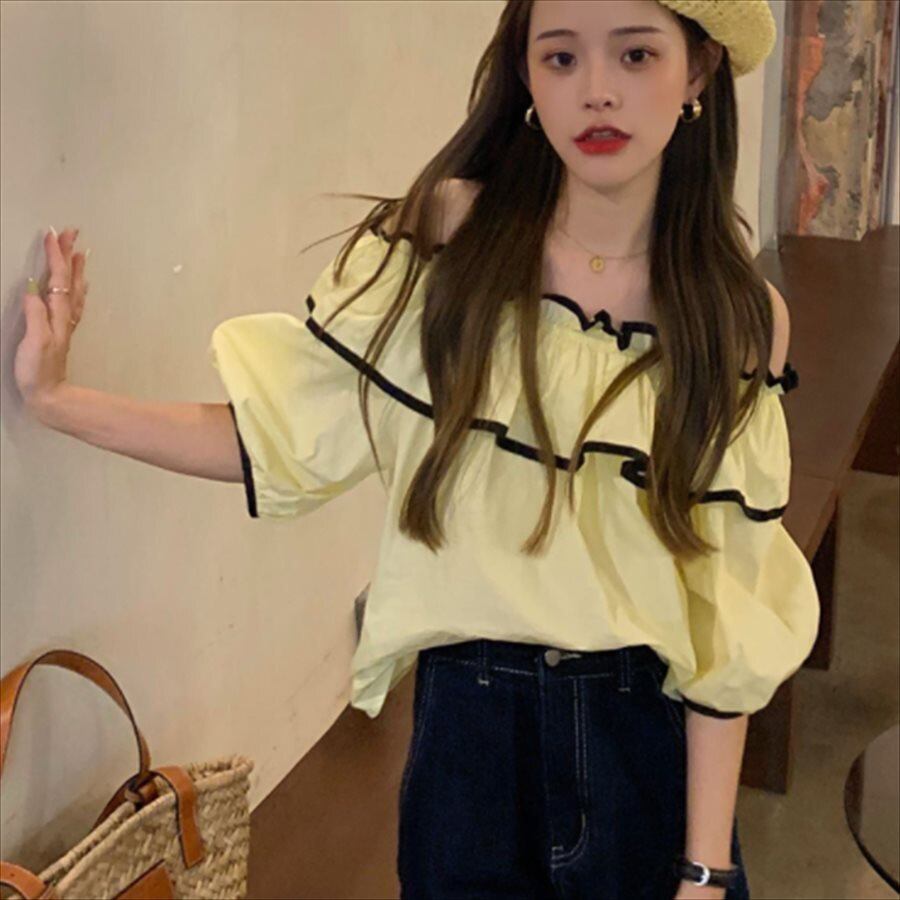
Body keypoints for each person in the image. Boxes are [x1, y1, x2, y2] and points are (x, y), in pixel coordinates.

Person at [14, 1, 820, 898]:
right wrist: (60, 402)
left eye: (636, 55)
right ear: (525, 75)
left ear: (698, 70)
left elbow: (724, 613)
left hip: (645, 747)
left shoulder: (737, 320)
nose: (597, 91)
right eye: (561, 58)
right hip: (468, 745)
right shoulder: (452, 243)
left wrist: (704, 869)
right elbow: (276, 438)